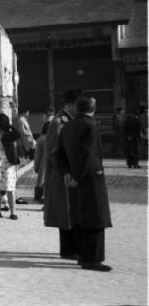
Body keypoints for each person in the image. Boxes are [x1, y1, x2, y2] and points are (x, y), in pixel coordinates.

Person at [56, 95, 112, 272]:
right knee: (95, 217)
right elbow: (86, 154)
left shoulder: (67, 126)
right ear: (93, 108)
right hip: (89, 178)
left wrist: (67, 174)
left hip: (74, 178)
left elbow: (59, 154)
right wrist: (78, 176)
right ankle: (92, 259)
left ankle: (81, 254)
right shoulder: (90, 125)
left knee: (80, 216)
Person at [43, 89, 81, 260]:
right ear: (69, 105)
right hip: (61, 173)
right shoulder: (58, 122)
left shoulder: (73, 120)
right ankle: (67, 250)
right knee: (65, 211)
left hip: (71, 172)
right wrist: (65, 168)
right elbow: (52, 150)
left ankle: (73, 247)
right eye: (77, 105)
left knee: (74, 210)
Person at [33, 122, 50, 203]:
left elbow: (37, 155)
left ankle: (40, 196)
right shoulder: (54, 139)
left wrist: (36, 167)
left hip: (42, 165)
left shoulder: (40, 140)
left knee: (41, 180)